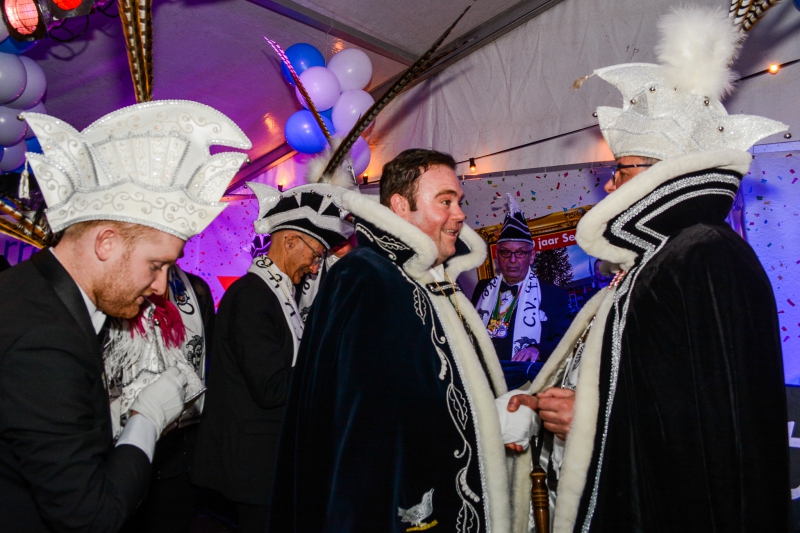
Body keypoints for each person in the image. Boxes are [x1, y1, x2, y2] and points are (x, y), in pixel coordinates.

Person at [510, 7, 790, 531]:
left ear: (663, 173)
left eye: (620, 169)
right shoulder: (665, 256)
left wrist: (591, 418)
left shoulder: (704, 255)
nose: (610, 184)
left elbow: (713, 420)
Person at [0, 100, 251, 532]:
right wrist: (147, 418)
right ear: (107, 242)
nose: (160, 287)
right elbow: (92, 517)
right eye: (156, 265)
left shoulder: (27, 289)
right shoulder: (44, 338)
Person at [268, 149, 531, 533]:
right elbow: (369, 428)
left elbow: (434, 386)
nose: (460, 214)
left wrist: (495, 409)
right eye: (445, 201)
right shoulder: (367, 276)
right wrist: (490, 425)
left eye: (459, 202)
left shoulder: (430, 279)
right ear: (400, 206)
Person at [192, 182, 353, 533]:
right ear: (290, 241)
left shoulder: (278, 292)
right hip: (254, 464)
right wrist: (330, 361)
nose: (315, 268)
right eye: (315, 256)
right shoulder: (252, 297)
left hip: (271, 460)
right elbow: (271, 387)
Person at [103, 264, 216, 533]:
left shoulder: (195, 290)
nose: (161, 282)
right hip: (119, 447)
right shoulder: (108, 287)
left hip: (179, 450)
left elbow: (206, 367)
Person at [472, 194, 570, 364]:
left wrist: (537, 350)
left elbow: (565, 340)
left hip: (528, 376)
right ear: (497, 256)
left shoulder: (553, 295)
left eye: (520, 253)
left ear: (531, 256)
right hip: (484, 373)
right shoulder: (482, 288)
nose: (512, 260)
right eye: (506, 252)